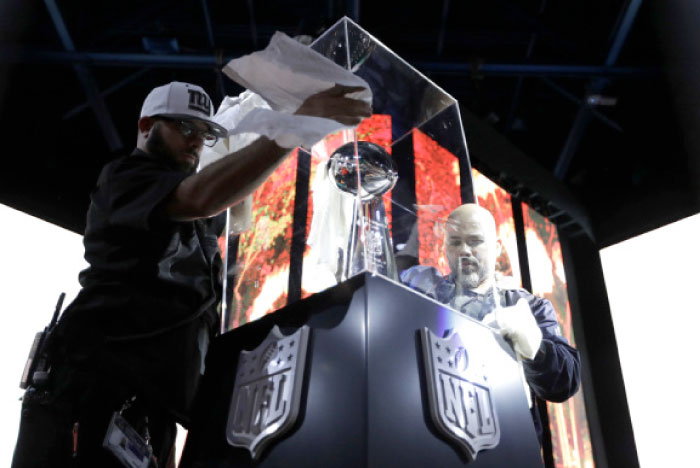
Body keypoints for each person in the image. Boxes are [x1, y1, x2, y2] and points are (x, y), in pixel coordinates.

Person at [12, 81, 371, 468]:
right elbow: (202, 196)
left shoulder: (202, 221)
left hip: (151, 404)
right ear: (148, 125)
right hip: (90, 383)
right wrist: (293, 126)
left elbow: (218, 204)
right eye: (185, 127)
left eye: (204, 132)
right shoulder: (127, 177)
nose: (197, 141)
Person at [400, 203, 580, 440]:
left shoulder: (526, 306)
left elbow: (566, 381)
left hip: (506, 444)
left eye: (475, 241)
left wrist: (535, 349)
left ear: (496, 248)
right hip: (430, 437)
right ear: (445, 247)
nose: (464, 250)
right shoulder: (424, 293)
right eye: (455, 242)